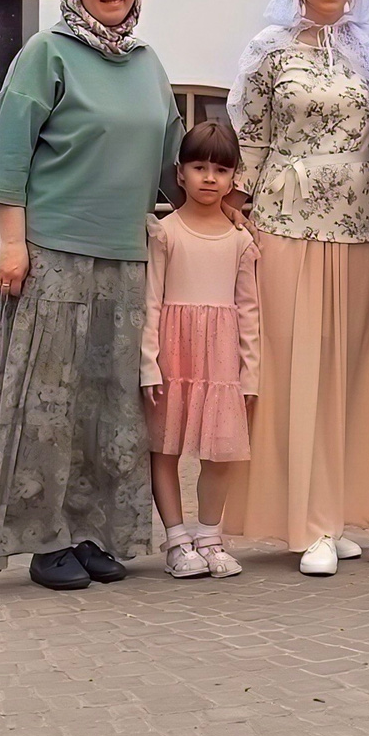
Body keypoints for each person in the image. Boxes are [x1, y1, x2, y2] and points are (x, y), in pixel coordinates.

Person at [0, 0, 181, 591]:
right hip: (53, 254)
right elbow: (8, 152)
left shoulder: (146, 62)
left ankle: (93, 531)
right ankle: (43, 537)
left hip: (125, 255)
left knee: (111, 405)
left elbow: (170, 153)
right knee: (48, 403)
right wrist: (10, 241)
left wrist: (214, 209)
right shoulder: (46, 55)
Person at [225, 0, 369, 577]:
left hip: (358, 225)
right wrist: (234, 216)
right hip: (286, 221)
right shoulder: (268, 52)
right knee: (294, 369)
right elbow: (252, 138)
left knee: (348, 370)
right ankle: (306, 521)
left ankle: (338, 509)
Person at [144, 120, 262, 581]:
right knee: (165, 448)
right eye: (198, 167)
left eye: (220, 169)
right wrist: (147, 363)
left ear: (234, 178)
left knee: (221, 452)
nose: (209, 178)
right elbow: (150, 301)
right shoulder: (165, 233)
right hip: (173, 355)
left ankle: (210, 535)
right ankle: (176, 539)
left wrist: (251, 374)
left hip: (221, 362)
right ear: (180, 174)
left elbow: (249, 312)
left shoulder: (241, 241)